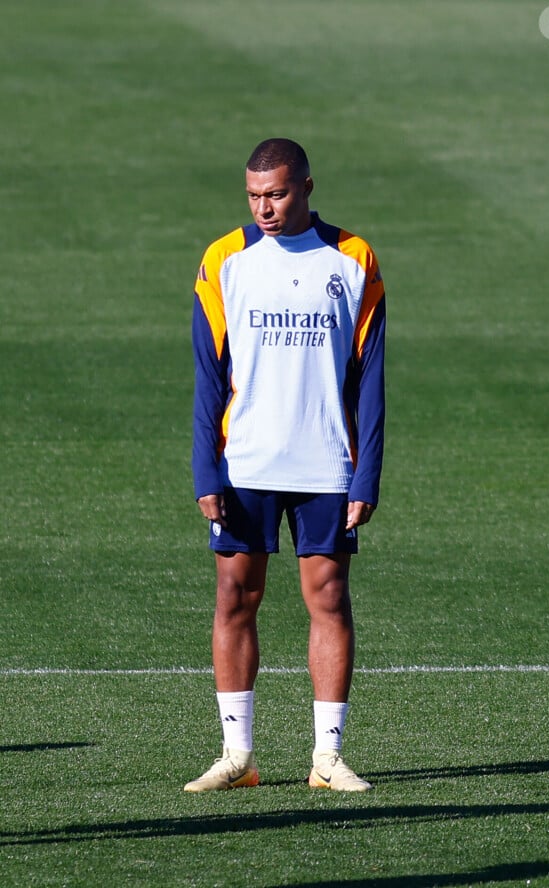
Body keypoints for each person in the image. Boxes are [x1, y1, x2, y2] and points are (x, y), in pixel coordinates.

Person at [185, 138, 386, 793]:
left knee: (328, 599)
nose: (264, 208)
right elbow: (209, 376)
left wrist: (367, 474)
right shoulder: (225, 259)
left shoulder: (353, 259)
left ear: (305, 186)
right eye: (253, 196)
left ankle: (327, 758)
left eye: (276, 194)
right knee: (234, 598)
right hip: (244, 460)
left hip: (326, 461)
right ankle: (236, 756)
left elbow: (370, 379)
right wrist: (204, 472)